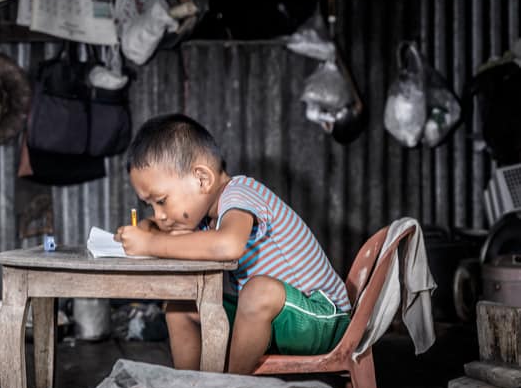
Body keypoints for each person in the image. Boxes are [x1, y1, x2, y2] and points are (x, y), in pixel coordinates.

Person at [114, 113, 350, 374]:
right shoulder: (203, 218)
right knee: (180, 307)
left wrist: (149, 244)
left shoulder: (241, 192)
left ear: (202, 179)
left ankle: (230, 387)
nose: (159, 214)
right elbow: (158, 228)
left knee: (258, 290)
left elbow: (228, 246)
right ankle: (189, 386)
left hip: (323, 318)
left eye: (161, 201)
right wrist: (144, 230)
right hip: (271, 317)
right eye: (150, 205)